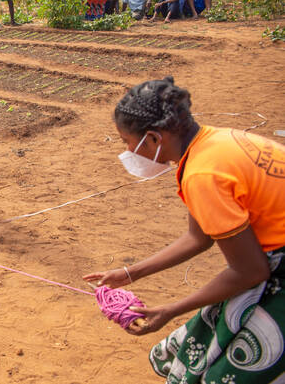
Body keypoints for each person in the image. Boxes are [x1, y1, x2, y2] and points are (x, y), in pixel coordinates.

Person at [83, 76, 285, 383]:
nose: (127, 151)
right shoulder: (214, 142)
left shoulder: (203, 174)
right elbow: (199, 237)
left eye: (127, 141)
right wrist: (129, 273)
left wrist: (170, 310)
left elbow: (250, 271)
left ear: (152, 138)